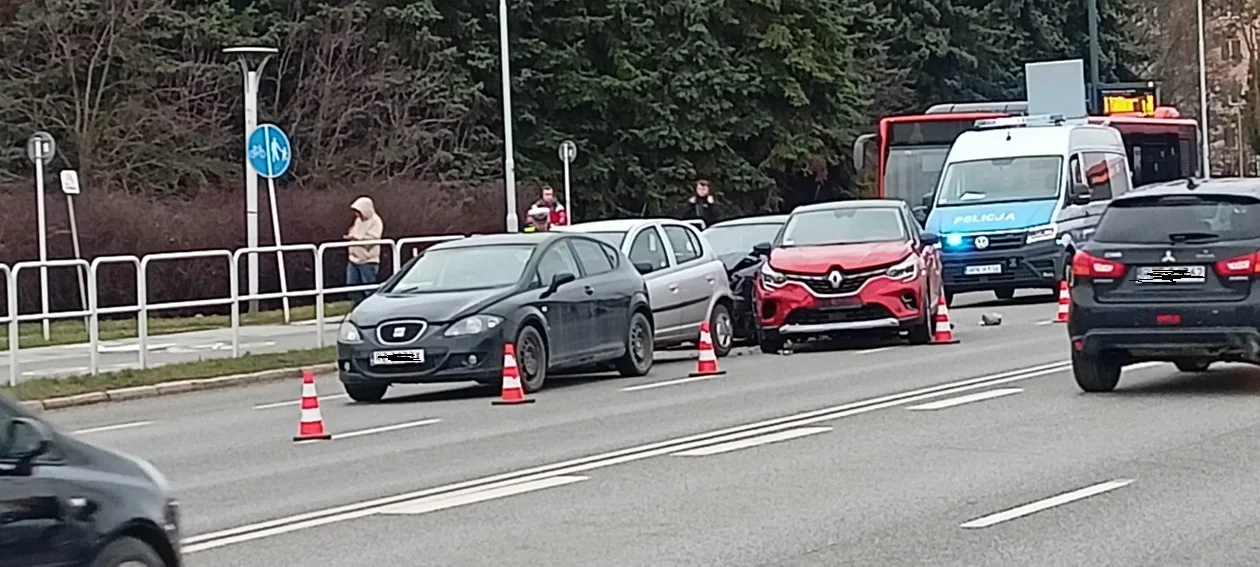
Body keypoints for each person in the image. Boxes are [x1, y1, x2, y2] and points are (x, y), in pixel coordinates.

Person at [344, 196, 384, 306]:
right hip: (353, 259)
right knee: (352, 287)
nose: (356, 214)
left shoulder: (376, 221)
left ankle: (371, 308)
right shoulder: (358, 220)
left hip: (368, 260)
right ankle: (357, 306)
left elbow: (373, 239)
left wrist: (357, 238)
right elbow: (354, 232)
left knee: (369, 289)